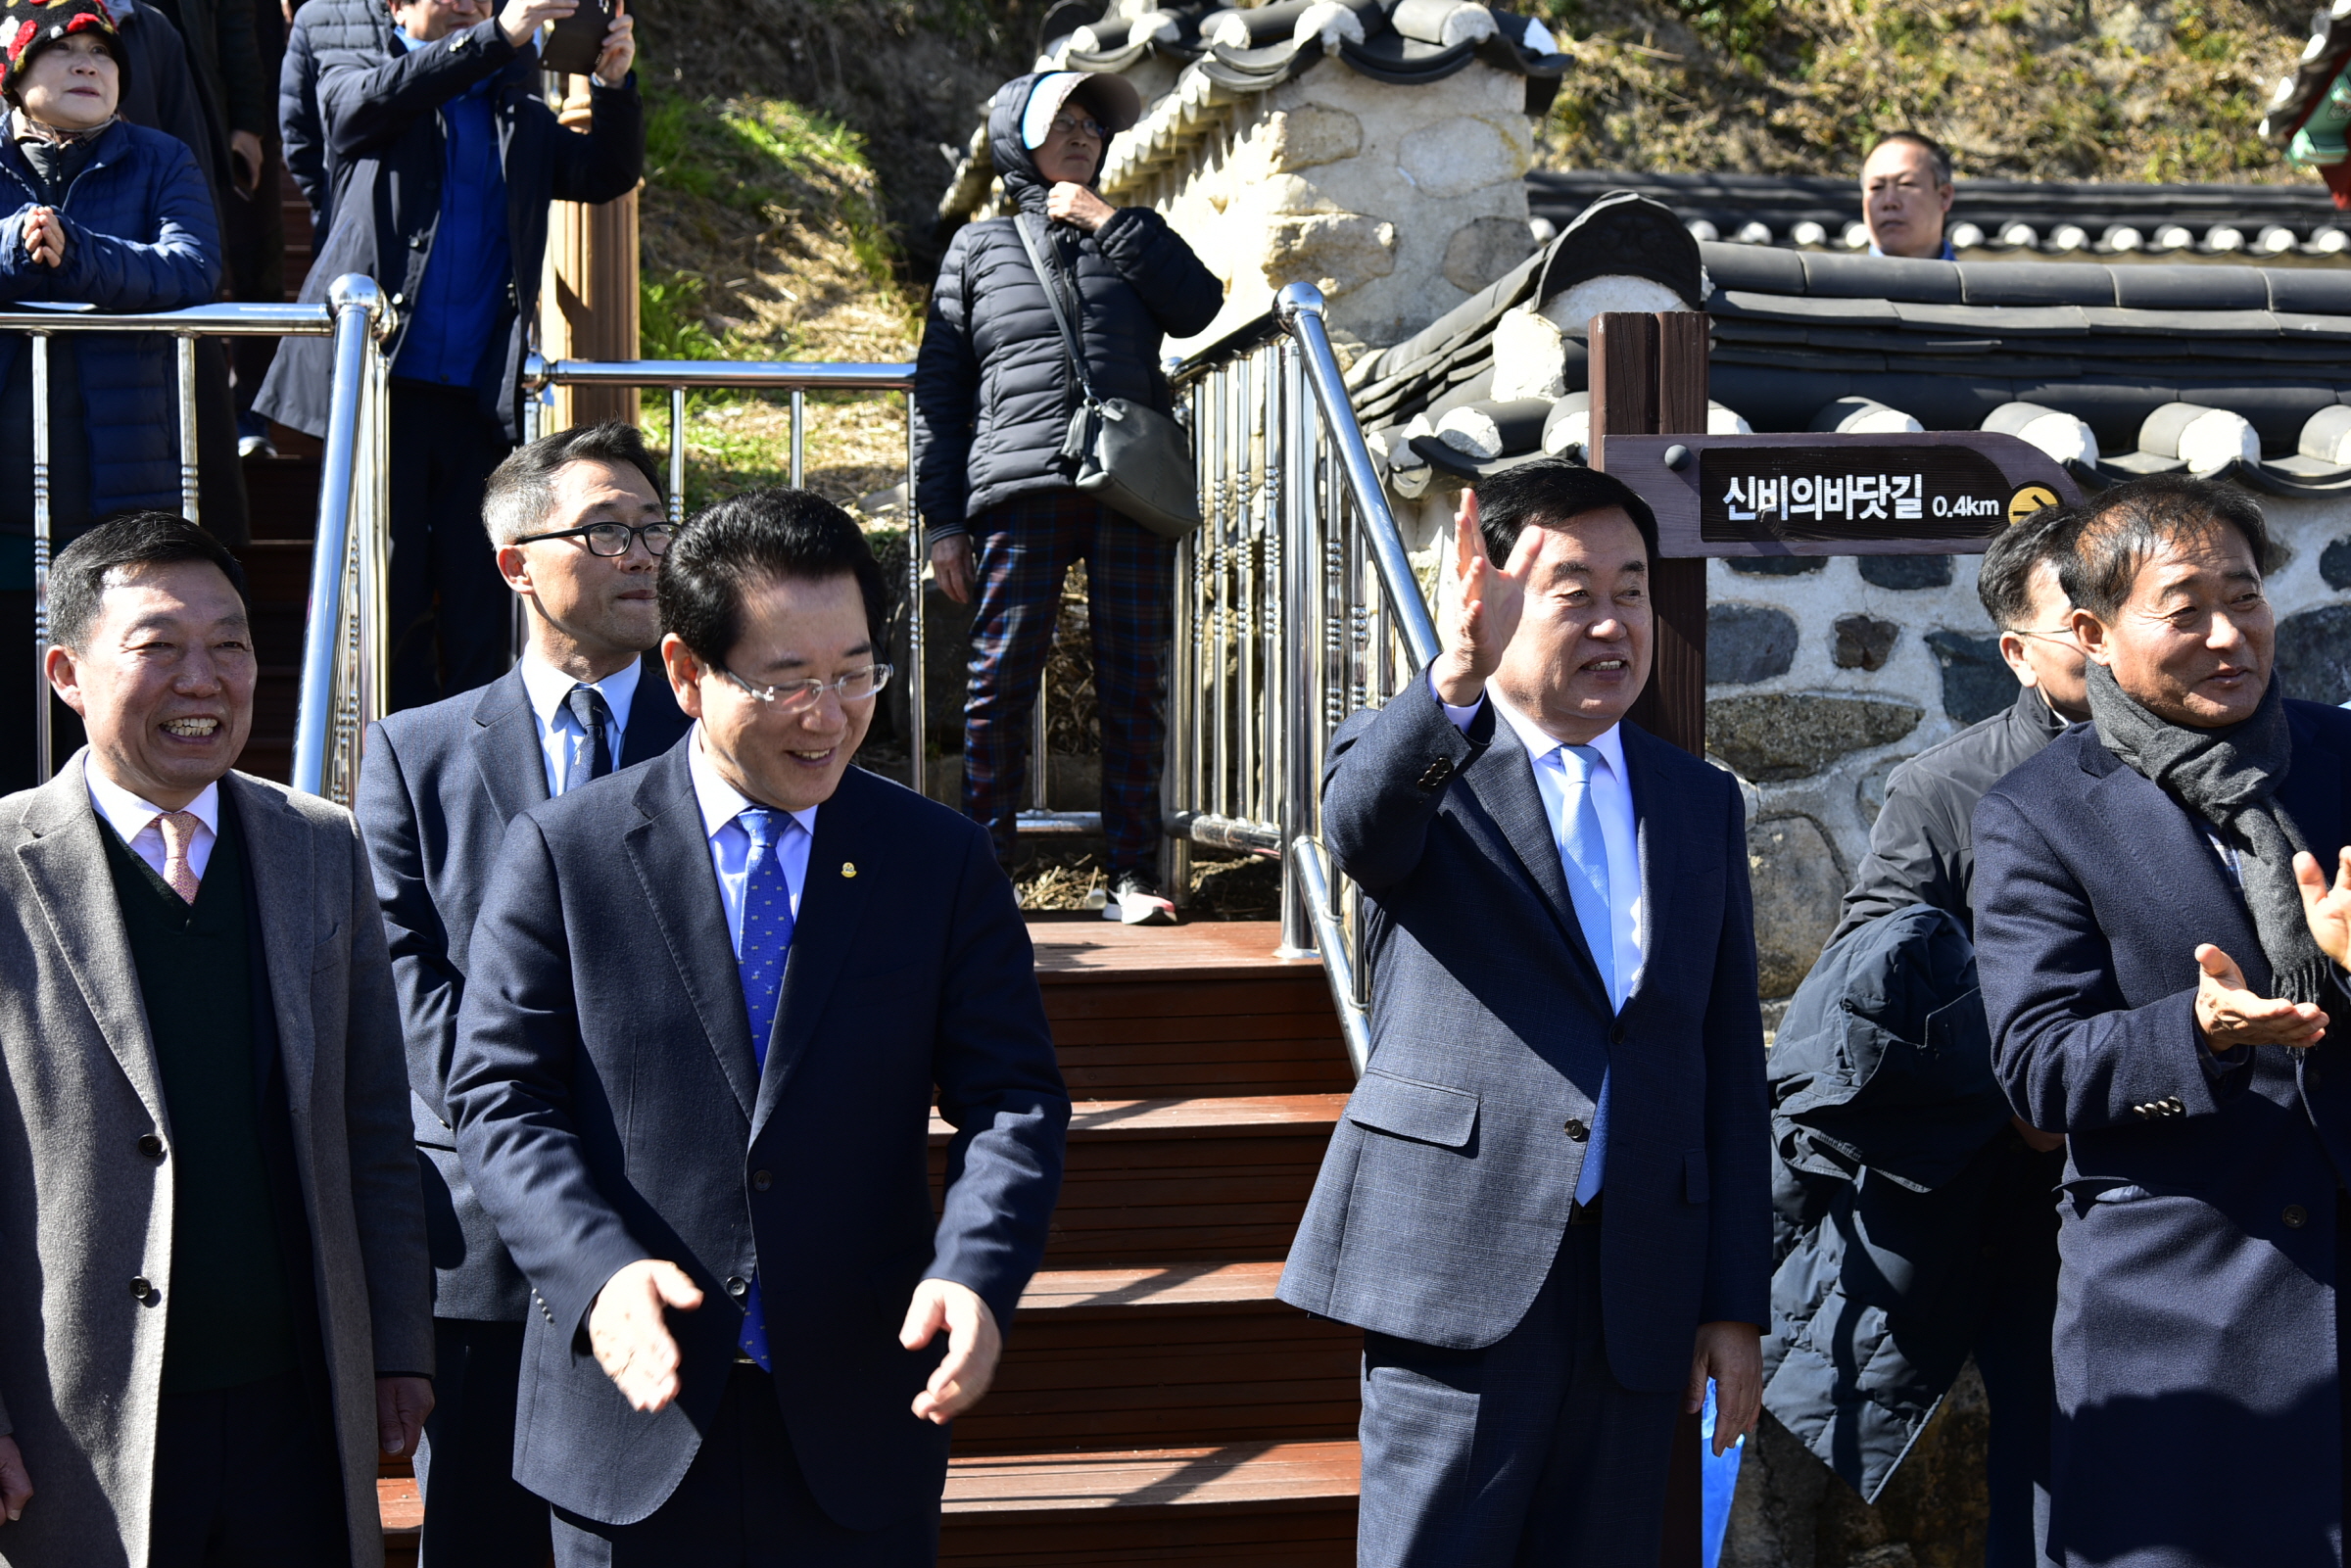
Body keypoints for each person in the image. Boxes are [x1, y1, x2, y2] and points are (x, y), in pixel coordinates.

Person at [448, 488, 1070, 1563]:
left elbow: (1012, 1100)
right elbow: (502, 1100)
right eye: (785, 681)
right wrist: (597, 1271)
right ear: (688, 672)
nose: (826, 715)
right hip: (630, 1416)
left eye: (852, 673)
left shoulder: (938, 861)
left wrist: (976, 1269)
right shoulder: (569, 849)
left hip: (858, 1405)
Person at [1278, 459, 1771, 1565]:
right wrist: (1453, 672)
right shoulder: (1422, 756)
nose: (1612, 621)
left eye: (1632, 589)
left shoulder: (1695, 798)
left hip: (1641, 1281)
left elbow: (1728, 1066)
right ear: (1495, 597)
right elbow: (1361, 832)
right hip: (1460, 1266)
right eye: (1574, 590)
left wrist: (1736, 1302)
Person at [0, 513, 433, 1566]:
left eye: (230, 644)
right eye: (158, 647)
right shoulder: (8, 863)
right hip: (77, 1420)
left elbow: (374, 1119)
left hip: (299, 1405)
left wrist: (397, 1346)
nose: (205, 679)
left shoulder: (317, 844)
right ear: (68, 671)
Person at [1974, 475, 2351, 1567]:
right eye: (2185, 609)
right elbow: (2038, 1066)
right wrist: (2199, 1028)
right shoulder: (2041, 811)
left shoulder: (2340, 761)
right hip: (2177, 1318)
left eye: (2246, 597)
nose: (2229, 634)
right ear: (2091, 631)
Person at [354, 421, 692, 1566]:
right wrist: (530, 1137)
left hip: (674, 1223)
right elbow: (406, 978)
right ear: (515, 562)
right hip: (485, 1247)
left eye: (654, 526)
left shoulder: (716, 738)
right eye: (607, 529)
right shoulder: (417, 752)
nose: (643, 552)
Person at [1766, 509, 2086, 1567]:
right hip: (2020, 1190)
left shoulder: (2208, 767)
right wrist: (2019, 1088)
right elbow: (1874, 982)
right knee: (2049, 1463)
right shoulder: (1946, 785)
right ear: (2017, 652)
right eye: (2076, 619)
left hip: (2191, 1169)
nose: (2105, 635)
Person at [256, 0, 642, 712]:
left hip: (481, 396)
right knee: (387, 601)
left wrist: (615, 87)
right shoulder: (360, 57)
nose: (472, 4)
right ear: (397, 4)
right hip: (381, 390)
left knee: (482, 606)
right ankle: (394, 788)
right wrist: (498, 37)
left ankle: (477, 792)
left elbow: (599, 173)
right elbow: (340, 124)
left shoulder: (510, 88)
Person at [913, 70, 1222, 925]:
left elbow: (1198, 306)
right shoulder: (977, 249)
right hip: (1020, 483)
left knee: (1135, 680)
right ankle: (983, 872)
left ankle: (1132, 876)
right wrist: (942, 522)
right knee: (998, 679)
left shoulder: (1134, 232)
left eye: (1093, 123)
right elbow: (939, 392)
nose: (1082, 135)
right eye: (1062, 122)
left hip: (1127, 484)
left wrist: (1106, 221)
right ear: (1019, 135)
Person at [1, 0, 223, 792]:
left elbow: (195, 265)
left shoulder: (159, 157)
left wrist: (80, 253)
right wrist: (16, 247)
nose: (90, 64)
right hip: (9, 480)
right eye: (64, 52)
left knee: (119, 675)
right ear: (16, 78)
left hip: (125, 476)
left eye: (103, 52)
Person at [1861, 130, 1956, 261]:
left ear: (1944, 196)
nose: (1889, 201)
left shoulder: (1975, 281)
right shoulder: (1834, 280)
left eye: (1906, 184)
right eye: (1876, 187)